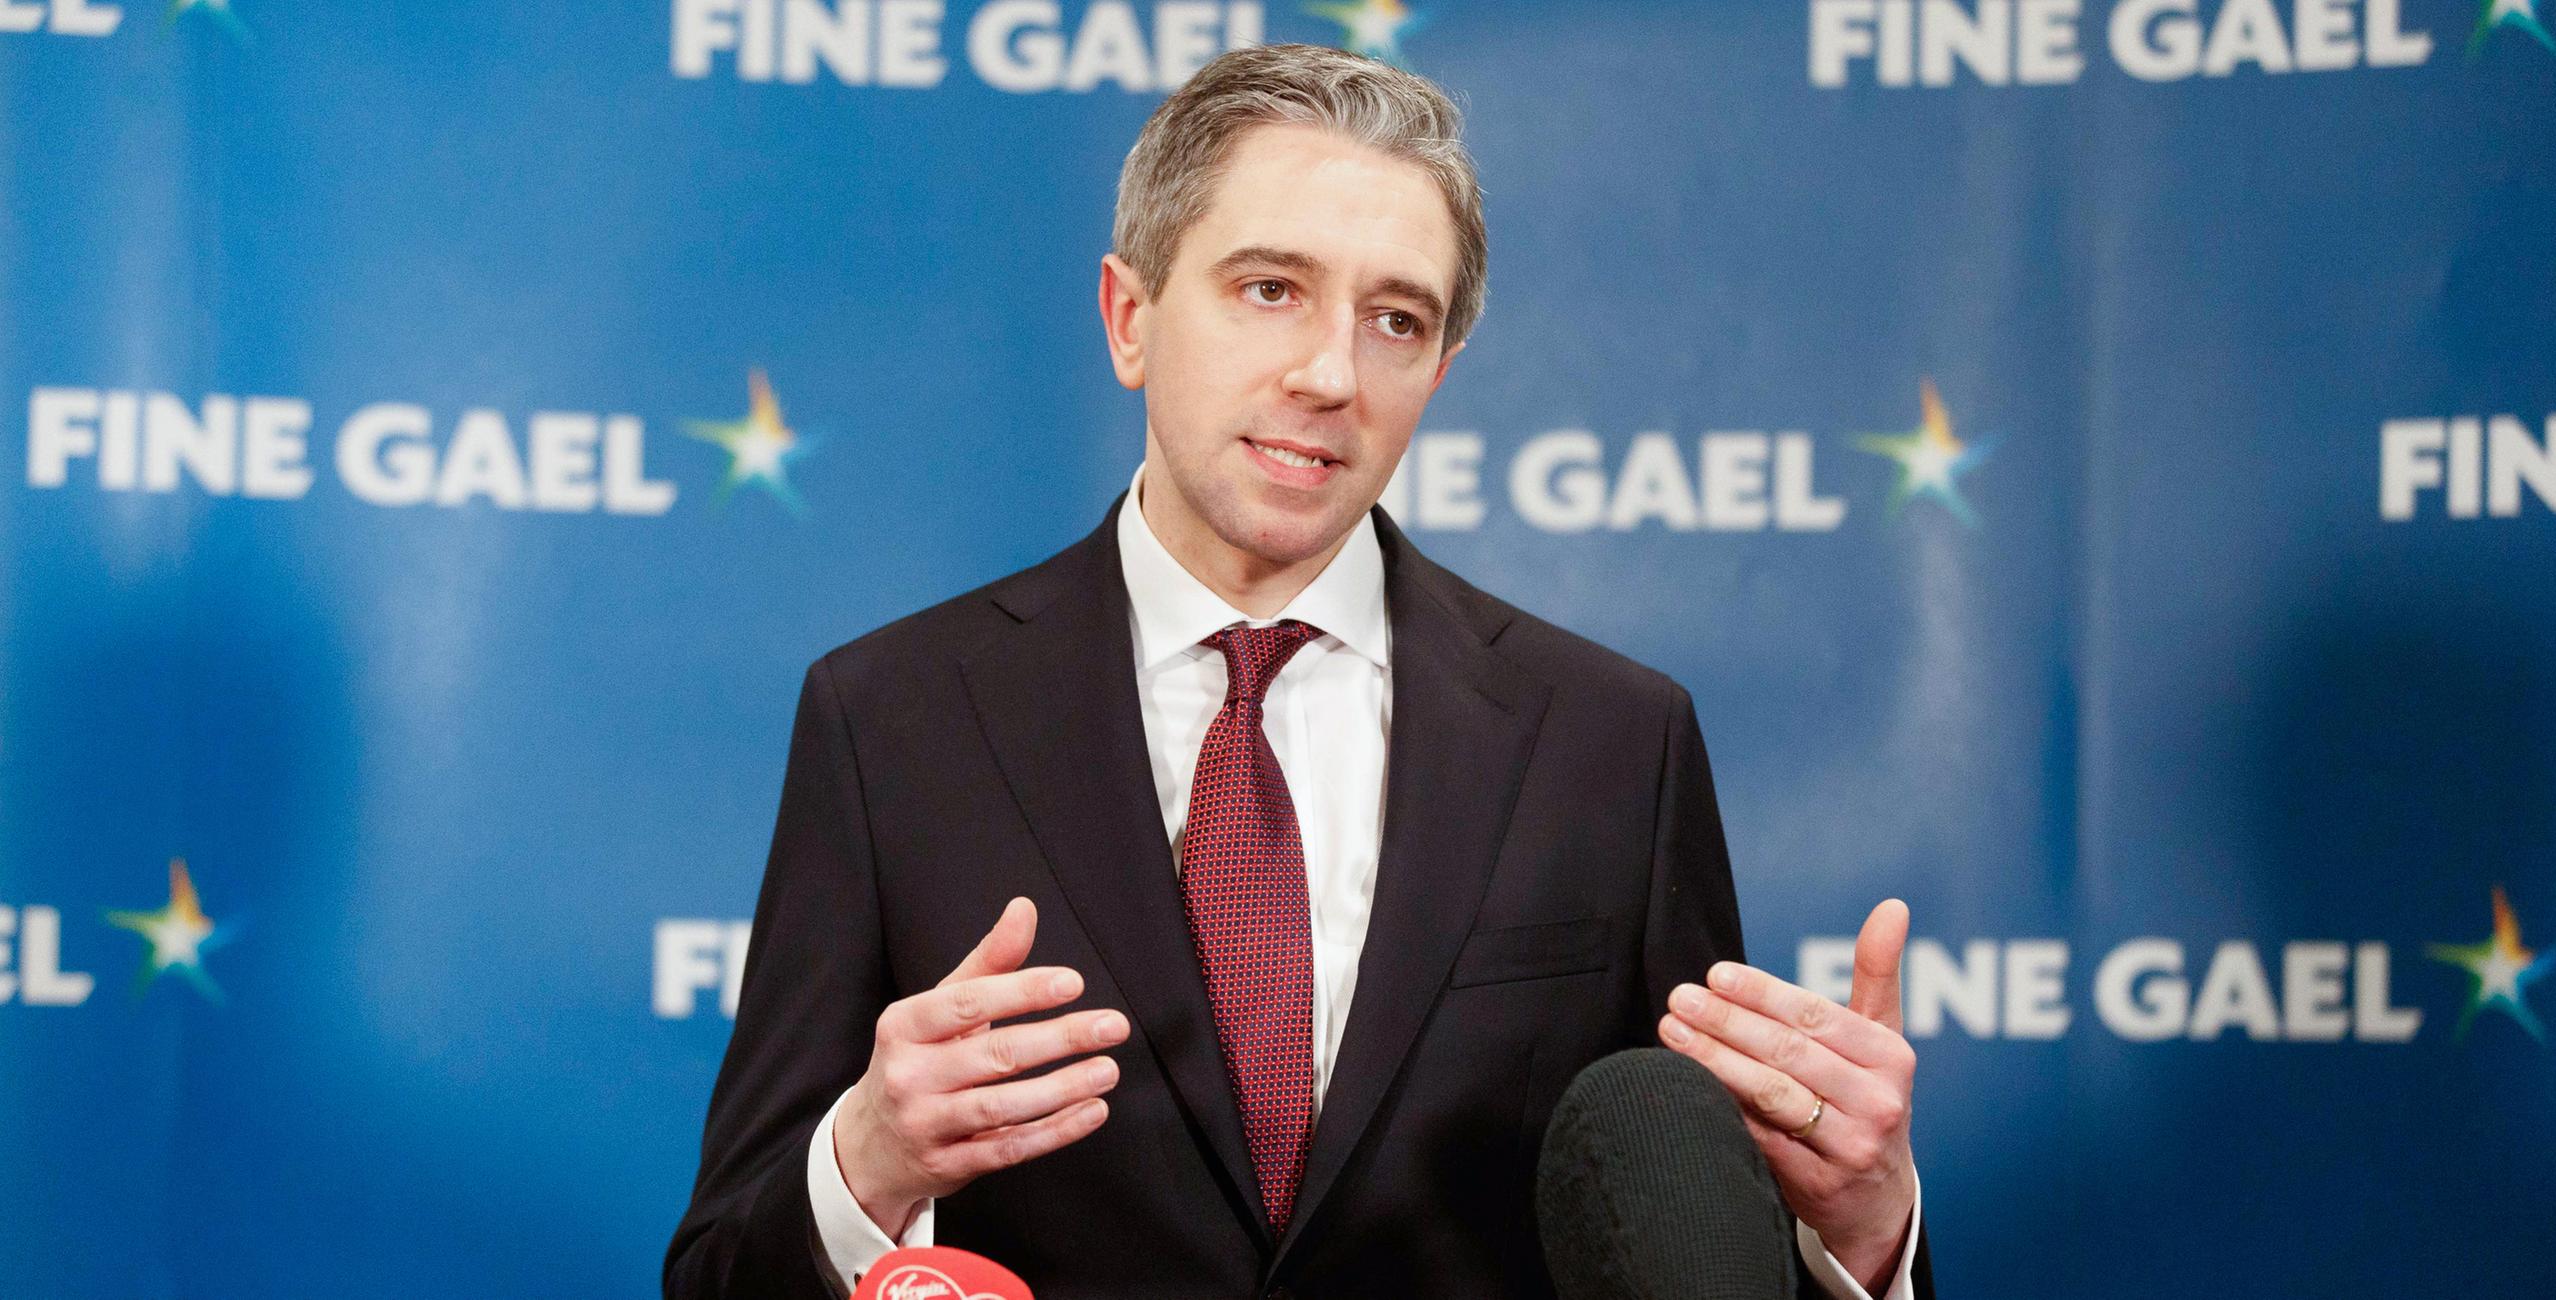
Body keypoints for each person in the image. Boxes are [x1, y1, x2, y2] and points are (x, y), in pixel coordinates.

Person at [666, 42, 1930, 1300]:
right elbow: (720, 1271)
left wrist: (1863, 1231)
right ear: (1129, 318)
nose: (1329, 375)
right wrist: (867, 1163)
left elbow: (1692, 1251)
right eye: (1269, 288)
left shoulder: (1611, 741)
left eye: (1395, 321)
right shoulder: (892, 719)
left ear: (1437, 372)